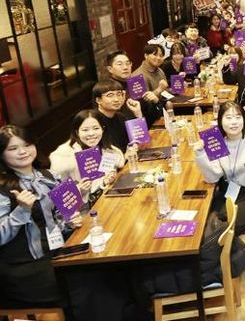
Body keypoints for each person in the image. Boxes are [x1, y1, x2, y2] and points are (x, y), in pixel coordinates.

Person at [0, 125, 84, 307]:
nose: (23, 152)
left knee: (103, 271)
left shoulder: (49, 176)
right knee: (84, 285)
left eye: (27, 145)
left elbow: (60, 216)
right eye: (13, 148)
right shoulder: (3, 188)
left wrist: (69, 222)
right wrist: (21, 211)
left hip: (59, 249)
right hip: (26, 266)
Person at [195, 101, 245, 234]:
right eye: (228, 118)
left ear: (244, 119)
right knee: (204, 223)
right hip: (228, 194)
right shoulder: (218, 142)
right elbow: (213, 178)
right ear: (220, 121)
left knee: (223, 230)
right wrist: (201, 154)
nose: (234, 122)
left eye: (238, 117)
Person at [49, 110, 125, 205]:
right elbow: (57, 196)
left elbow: (117, 162)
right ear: (77, 132)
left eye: (96, 128)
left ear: (103, 129)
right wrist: (79, 189)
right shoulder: (64, 156)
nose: (91, 133)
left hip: (107, 199)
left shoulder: (106, 148)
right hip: (81, 209)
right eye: (85, 130)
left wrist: (104, 180)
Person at [93, 79, 142, 153]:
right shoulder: (93, 122)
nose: (116, 99)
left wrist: (138, 113)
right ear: (98, 100)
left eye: (119, 94)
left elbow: (140, 139)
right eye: (110, 95)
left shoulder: (121, 117)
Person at [131, 44, 169, 125]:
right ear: (146, 55)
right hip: (149, 118)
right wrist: (159, 89)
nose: (158, 58)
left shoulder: (159, 70)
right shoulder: (137, 76)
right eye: (155, 55)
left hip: (161, 110)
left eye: (161, 56)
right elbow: (143, 103)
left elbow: (165, 91)